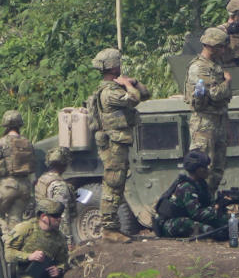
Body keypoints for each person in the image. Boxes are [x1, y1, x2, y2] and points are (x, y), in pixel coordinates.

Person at [88, 48, 151, 242]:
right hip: (113, 143)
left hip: (119, 142)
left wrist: (134, 82)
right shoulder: (109, 92)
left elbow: (145, 94)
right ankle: (108, 228)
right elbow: (134, 98)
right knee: (112, 184)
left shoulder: (114, 88)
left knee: (118, 183)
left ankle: (113, 227)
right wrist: (126, 84)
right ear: (113, 66)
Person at [184, 27, 233, 194]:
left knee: (217, 168)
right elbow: (215, 94)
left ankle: (209, 200)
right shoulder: (199, 67)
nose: (224, 50)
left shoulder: (215, 64)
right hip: (204, 123)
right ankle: (195, 201)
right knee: (202, 167)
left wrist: (226, 126)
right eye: (221, 46)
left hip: (218, 119)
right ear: (211, 46)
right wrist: (227, 82)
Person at [154, 151, 228, 238]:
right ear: (198, 170)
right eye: (205, 167)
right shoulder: (186, 187)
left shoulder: (202, 185)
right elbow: (196, 214)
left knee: (224, 221)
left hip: (191, 218)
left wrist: (221, 206)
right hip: (171, 224)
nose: (208, 170)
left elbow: (208, 206)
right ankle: (209, 232)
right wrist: (217, 209)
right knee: (190, 224)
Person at [5, 199, 68, 278]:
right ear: (43, 217)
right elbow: (7, 253)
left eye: (60, 215)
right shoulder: (25, 228)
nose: (59, 219)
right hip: (11, 273)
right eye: (55, 216)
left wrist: (58, 270)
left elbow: (63, 261)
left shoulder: (60, 238)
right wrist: (29, 256)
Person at [0, 110, 35, 243]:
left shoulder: (2, 142)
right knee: (15, 223)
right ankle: (14, 250)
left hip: (7, 187)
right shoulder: (27, 143)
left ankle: (5, 239)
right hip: (25, 188)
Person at [34, 147, 75, 247]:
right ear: (64, 164)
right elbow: (63, 215)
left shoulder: (42, 179)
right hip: (53, 232)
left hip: (41, 226)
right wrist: (67, 241)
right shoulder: (59, 185)